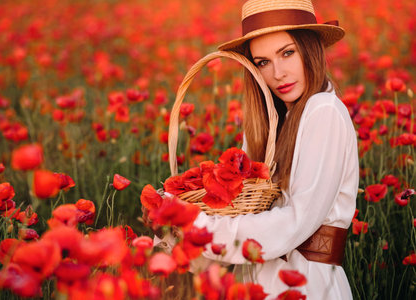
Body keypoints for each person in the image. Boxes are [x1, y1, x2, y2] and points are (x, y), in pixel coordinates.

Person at [151, 0, 359, 299]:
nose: (278, 73)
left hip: (305, 283)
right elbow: (247, 211)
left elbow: (295, 222)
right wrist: (176, 229)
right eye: (262, 62)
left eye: (287, 53)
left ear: (310, 49)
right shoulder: (269, 123)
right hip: (256, 279)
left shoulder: (323, 109)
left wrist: (199, 225)